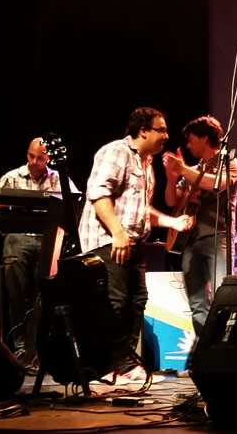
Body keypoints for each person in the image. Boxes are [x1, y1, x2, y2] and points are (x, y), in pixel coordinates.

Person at [79, 107, 193, 380]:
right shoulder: (116, 152)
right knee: (114, 303)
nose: (166, 135)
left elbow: (143, 209)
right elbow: (98, 194)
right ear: (142, 130)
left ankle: (126, 365)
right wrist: (117, 233)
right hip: (108, 241)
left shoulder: (146, 162)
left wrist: (172, 222)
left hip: (133, 243)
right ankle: (108, 367)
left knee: (137, 302)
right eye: (161, 129)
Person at [0, 137, 79, 372]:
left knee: (44, 296)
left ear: (48, 158)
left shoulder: (60, 179)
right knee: (16, 292)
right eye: (31, 156)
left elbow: (76, 205)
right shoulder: (11, 177)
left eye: (40, 158)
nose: (34, 162)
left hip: (47, 240)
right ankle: (21, 348)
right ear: (27, 154)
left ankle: (37, 351)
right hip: (18, 238)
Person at [163, 116, 237, 338]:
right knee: (197, 303)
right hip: (190, 241)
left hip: (218, 237)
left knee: (222, 296)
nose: (188, 146)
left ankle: (223, 345)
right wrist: (171, 178)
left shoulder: (229, 163)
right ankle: (204, 344)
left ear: (204, 138)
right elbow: (171, 200)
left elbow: (218, 185)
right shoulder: (193, 169)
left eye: (191, 140)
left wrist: (182, 169)